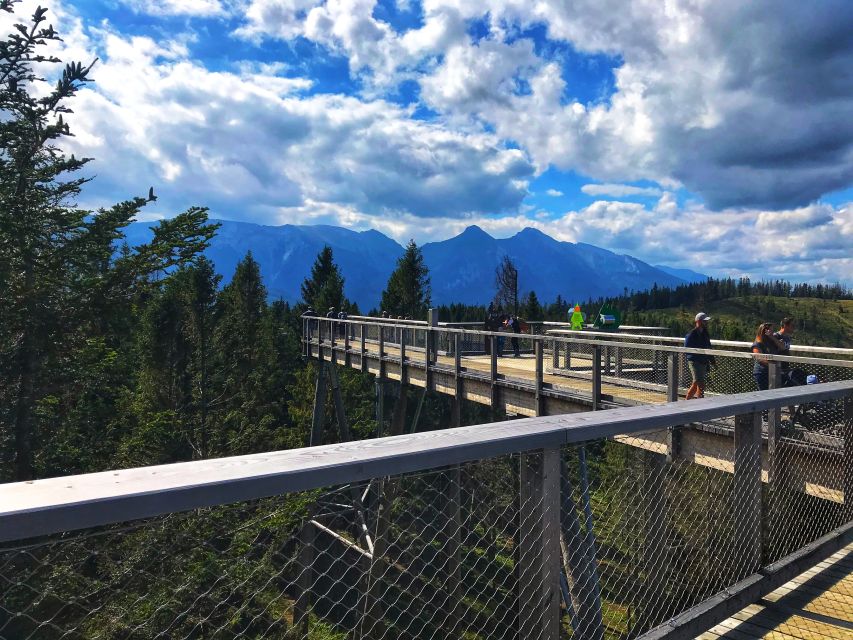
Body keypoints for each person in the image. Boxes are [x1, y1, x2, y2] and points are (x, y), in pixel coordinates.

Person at [684, 312, 716, 399]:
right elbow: (686, 349)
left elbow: (708, 348)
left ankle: (691, 401)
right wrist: (696, 355)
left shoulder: (705, 334)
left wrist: (712, 361)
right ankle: (697, 402)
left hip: (703, 361)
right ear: (698, 321)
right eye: (704, 321)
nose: (706, 323)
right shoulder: (691, 334)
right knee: (699, 383)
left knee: (697, 383)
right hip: (694, 362)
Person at [751, 322, 785, 391]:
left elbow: (782, 347)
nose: (773, 332)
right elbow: (759, 359)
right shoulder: (757, 344)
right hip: (762, 372)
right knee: (764, 393)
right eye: (771, 330)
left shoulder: (771, 340)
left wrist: (772, 337)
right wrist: (774, 365)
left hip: (774, 371)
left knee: (775, 392)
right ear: (764, 331)